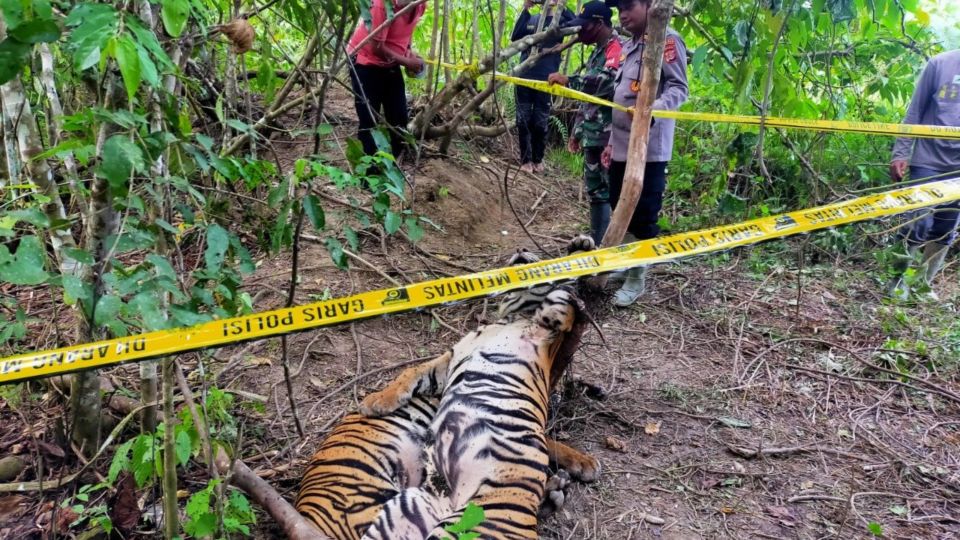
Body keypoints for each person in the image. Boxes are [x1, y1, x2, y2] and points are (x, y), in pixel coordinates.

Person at [600, 0, 688, 306]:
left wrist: (653, 110)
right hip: (622, 144)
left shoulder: (667, 40)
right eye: (619, 8)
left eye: (629, 5)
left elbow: (679, 88)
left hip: (650, 148)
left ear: (650, 5)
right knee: (617, 204)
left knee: (644, 214)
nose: (622, 13)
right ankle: (625, 263)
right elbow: (620, 93)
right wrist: (611, 140)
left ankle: (638, 276)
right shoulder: (627, 46)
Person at [887, 49, 960, 300]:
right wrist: (901, 152)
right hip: (928, 158)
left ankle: (922, 284)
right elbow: (915, 110)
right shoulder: (940, 64)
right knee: (918, 220)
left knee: (945, 227)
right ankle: (897, 280)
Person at [546, 1, 622, 244]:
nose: (579, 33)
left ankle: (615, 249)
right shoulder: (597, 51)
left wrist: (569, 79)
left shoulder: (616, 48)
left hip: (610, 135)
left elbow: (607, 83)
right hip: (591, 133)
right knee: (596, 192)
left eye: (584, 27)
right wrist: (577, 131)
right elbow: (586, 100)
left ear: (599, 24)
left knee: (614, 192)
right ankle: (598, 245)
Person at [347, 0, 427, 158]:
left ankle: (397, 161)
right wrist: (407, 62)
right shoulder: (382, 5)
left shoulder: (419, 5)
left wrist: (408, 50)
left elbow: (408, 31)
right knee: (369, 117)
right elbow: (376, 48)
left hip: (390, 63)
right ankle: (368, 171)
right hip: (364, 61)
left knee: (398, 116)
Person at [512, 0, 574, 173]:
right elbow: (515, 35)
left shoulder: (560, 22)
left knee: (540, 123)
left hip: (547, 80)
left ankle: (538, 159)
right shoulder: (532, 20)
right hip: (524, 76)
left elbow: (577, 24)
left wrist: (561, 5)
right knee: (522, 121)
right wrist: (525, 8)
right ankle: (525, 161)